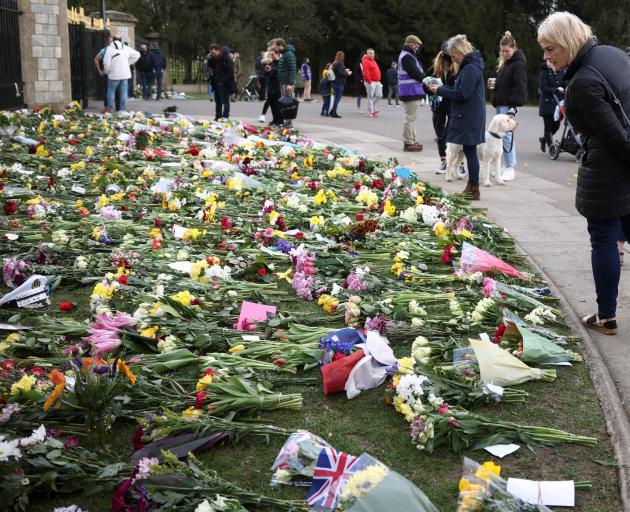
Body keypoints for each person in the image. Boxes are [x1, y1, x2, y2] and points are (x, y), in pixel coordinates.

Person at [538, 12, 630, 335]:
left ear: (566, 43)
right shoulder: (613, 54)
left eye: (551, 49)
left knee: (604, 237)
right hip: (620, 168)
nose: (547, 57)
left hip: (609, 172)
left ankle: (606, 316)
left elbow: (616, 137)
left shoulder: (581, 84)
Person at [428, 34, 485, 200]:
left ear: (461, 52)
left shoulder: (470, 68)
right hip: (470, 114)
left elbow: (462, 94)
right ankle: (472, 187)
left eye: (454, 56)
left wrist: (440, 90)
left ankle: (474, 187)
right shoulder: (470, 66)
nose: (453, 59)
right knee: (469, 151)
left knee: (470, 151)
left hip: (469, 116)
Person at [489, 31, 527, 181]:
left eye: (507, 51)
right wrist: (494, 86)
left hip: (508, 105)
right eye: (502, 51)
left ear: (514, 48)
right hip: (501, 103)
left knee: (507, 136)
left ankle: (510, 167)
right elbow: (507, 84)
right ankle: (506, 165)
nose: (504, 54)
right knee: (501, 135)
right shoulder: (507, 63)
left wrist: (513, 107)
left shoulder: (518, 64)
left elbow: (520, 87)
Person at [430, 44, 460, 173]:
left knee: (453, 133)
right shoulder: (436, 67)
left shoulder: (458, 67)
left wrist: (442, 89)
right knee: (440, 132)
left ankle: (459, 162)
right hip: (438, 104)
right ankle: (444, 160)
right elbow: (424, 83)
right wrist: (428, 87)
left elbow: (457, 88)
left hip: (453, 103)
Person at [398, 35, 426, 151]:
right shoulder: (407, 57)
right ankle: (409, 143)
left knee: (411, 118)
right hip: (410, 91)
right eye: (417, 46)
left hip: (409, 91)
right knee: (410, 118)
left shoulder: (407, 56)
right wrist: (426, 80)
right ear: (412, 44)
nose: (417, 48)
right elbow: (415, 73)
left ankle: (412, 140)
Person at [102, 37, 140, 112]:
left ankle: (110, 109)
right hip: (125, 74)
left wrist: (107, 71)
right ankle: (122, 110)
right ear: (121, 40)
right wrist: (129, 63)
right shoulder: (126, 48)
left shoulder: (109, 49)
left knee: (111, 91)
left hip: (113, 74)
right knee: (124, 92)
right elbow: (137, 54)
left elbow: (106, 62)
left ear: (113, 40)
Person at [537, 60, 565, 152]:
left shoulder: (561, 71)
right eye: (549, 61)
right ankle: (551, 148)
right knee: (548, 127)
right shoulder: (544, 72)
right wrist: (556, 89)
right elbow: (543, 87)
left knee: (556, 127)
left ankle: (544, 139)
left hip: (558, 104)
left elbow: (565, 83)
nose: (551, 63)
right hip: (547, 103)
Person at [207, 43, 235, 122]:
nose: (213, 54)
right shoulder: (213, 58)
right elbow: (210, 67)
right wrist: (209, 59)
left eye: (214, 52)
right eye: (211, 53)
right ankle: (218, 116)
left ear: (218, 51)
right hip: (216, 82)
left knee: (225, 101)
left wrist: (222, 81)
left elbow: (230, 72)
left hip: (225, 83)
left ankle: (225, 116)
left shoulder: (227, 58)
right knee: (218, 100)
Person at [94, 35, 119, 110]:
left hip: (117, 73)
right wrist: (99, 70)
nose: (111, 43)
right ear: (108, 42)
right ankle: (107, 107)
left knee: (118, 91)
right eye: (110, 41)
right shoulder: (104, 50)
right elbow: (96, 59)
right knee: (107, 90)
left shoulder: (119, 50)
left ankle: (118, 108)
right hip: (107, 73)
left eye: (113, 41)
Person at [276, 38, 297, 127]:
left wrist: (290, 84)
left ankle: (289, 122)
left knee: (288, 103)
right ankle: (287, 121)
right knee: (285, 103)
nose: (276, 48)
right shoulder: (284, 54)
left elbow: (292, 69)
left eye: (276, 46)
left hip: (287, 83)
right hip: (284, 82)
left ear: (281, 45)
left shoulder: (289, 54)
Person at [263, 47, 283, 127]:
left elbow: (278, 74)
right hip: (270, 86)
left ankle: (279, 121)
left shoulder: (279, 63)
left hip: (276, 86)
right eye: (270, 54)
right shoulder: (271, 63)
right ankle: (275, 119)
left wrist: (271, 70)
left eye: (273, 54)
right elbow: (268, 75)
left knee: (277, 105)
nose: (272, 56)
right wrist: (267, 71)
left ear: (277, 54)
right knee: (272, 104)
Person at [329, 51, 352, 118]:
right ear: (342, 56)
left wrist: (345, 70)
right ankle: (333, 113)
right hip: (339, 84)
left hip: (334, 83)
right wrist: (348, 73)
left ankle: (332, 111)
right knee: (337, 99)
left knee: (336, 98)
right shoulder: (340, 63)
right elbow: (340, 73)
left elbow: (337, 72)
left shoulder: (335, 63)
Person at [362, 48, 382, 117]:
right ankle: (371, 111)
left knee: (379, 95)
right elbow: (366, 73)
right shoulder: (366, 61)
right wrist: (369, 81)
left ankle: (371, 107)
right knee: (370, 97)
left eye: (373, 53)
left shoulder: (373, 60)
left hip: (377, 81)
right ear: (367, 54)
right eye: (370, 53)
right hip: (370, 82)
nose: (372, 54)